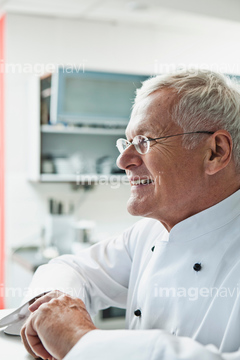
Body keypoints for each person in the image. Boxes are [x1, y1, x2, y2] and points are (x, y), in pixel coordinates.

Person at [21, 68, 240, 360]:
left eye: (145, 141)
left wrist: (80, 341)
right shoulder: (149, 233)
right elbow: (71, 269)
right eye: (127, 143)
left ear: (215, 151)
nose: (122, 160)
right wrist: (57, 308)